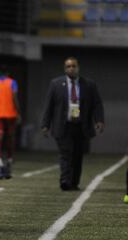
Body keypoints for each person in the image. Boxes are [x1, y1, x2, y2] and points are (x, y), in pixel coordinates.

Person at [41, 57, 104, 191]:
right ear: (65, 69)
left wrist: (99, 120)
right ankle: (64, 180)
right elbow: (49, 106)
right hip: (63, 125)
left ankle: (74, 182)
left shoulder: (89, 85)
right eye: (68, 66)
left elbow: (97, 104)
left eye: (73, 66)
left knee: (77, 155)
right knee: (65, 154)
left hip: (81, 126)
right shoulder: (56, 84)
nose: (71, 69)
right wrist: (45, 124)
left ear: (78, 67)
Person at [0, 67, 21, 179]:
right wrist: (18, 112)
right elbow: (14, 97)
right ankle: (10, 158)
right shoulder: (12, 82)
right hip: (10, 114)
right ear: (8, 72)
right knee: (10, 137)